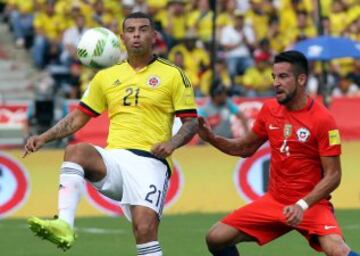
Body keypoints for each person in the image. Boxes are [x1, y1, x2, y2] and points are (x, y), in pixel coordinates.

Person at [23, 12, 198, 256]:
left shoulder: (173, 74)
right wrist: (43, 137)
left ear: (154, 36)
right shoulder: (105, 77)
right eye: (131, 30)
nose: (136, 34)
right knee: (76, 151)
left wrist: (172, 143)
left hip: (151, 162)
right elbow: (77, 117)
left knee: (144, 229)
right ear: (122, 38)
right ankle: (64, 224)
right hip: (115, 160)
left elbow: (191, 123)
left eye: (143, 29)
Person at [198, 50, 359, 256]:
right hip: (275, 202)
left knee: (337, 250)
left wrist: (301, 205)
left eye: (283, 76)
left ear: (301, 79)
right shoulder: (269, 110)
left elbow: (334, 175)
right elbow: (245, 148)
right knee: (215, 238)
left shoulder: (323, 119)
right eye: (274, 77)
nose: (276, 83)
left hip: (311, 205)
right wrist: (211, 138)